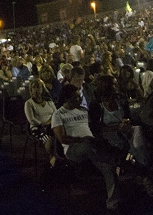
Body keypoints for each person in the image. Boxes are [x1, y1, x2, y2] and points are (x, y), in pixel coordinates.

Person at [53, 83, 121, 211]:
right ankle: (114, 158)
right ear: (68, 98)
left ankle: (113, 203)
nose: (80, 98)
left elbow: (93, 129)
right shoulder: (58, 114)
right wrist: (82, 140)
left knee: (108, 167)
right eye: (77, 96)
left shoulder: (83, 110)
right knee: (89, 145)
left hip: (92, 148)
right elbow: (62, 138)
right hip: (73, 149)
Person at [24, 78, 57, 166]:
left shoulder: (49, 101)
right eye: (34, 87)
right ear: (31, 90)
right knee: (49, 139)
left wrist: (50, 122)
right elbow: (31, 120)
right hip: (38, 128)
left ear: (42, 89)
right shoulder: (29, 103)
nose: (36, 90)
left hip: (51, 125)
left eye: (39, 87)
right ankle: (52, 159)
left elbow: (56, 113)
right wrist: (44, 124)